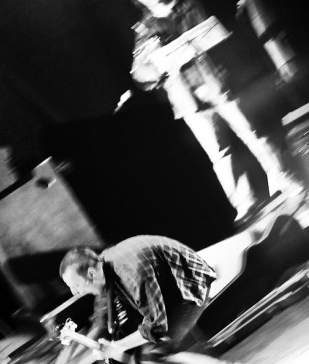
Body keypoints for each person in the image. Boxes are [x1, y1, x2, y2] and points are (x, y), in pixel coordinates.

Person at [120, 0, 304, 224]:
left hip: (218, 82)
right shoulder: (145, 28)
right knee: (219, 153)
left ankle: (285, 179)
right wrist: (155, 67)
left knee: (253, 133)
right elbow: (139, 73)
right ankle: (244, 204)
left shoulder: (190, 4)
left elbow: (220, 31)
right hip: (186, 99)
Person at [59, 235, 268, 364]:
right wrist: (95, 345)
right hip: (168, 297)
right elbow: (103, 314)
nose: (75, 292)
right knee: (145, 355)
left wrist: (119, 345)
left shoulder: (128, 269)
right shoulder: (105, 267)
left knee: (151, 355)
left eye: (76, 286)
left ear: (91, 273)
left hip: (189, 289)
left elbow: (156, 326)